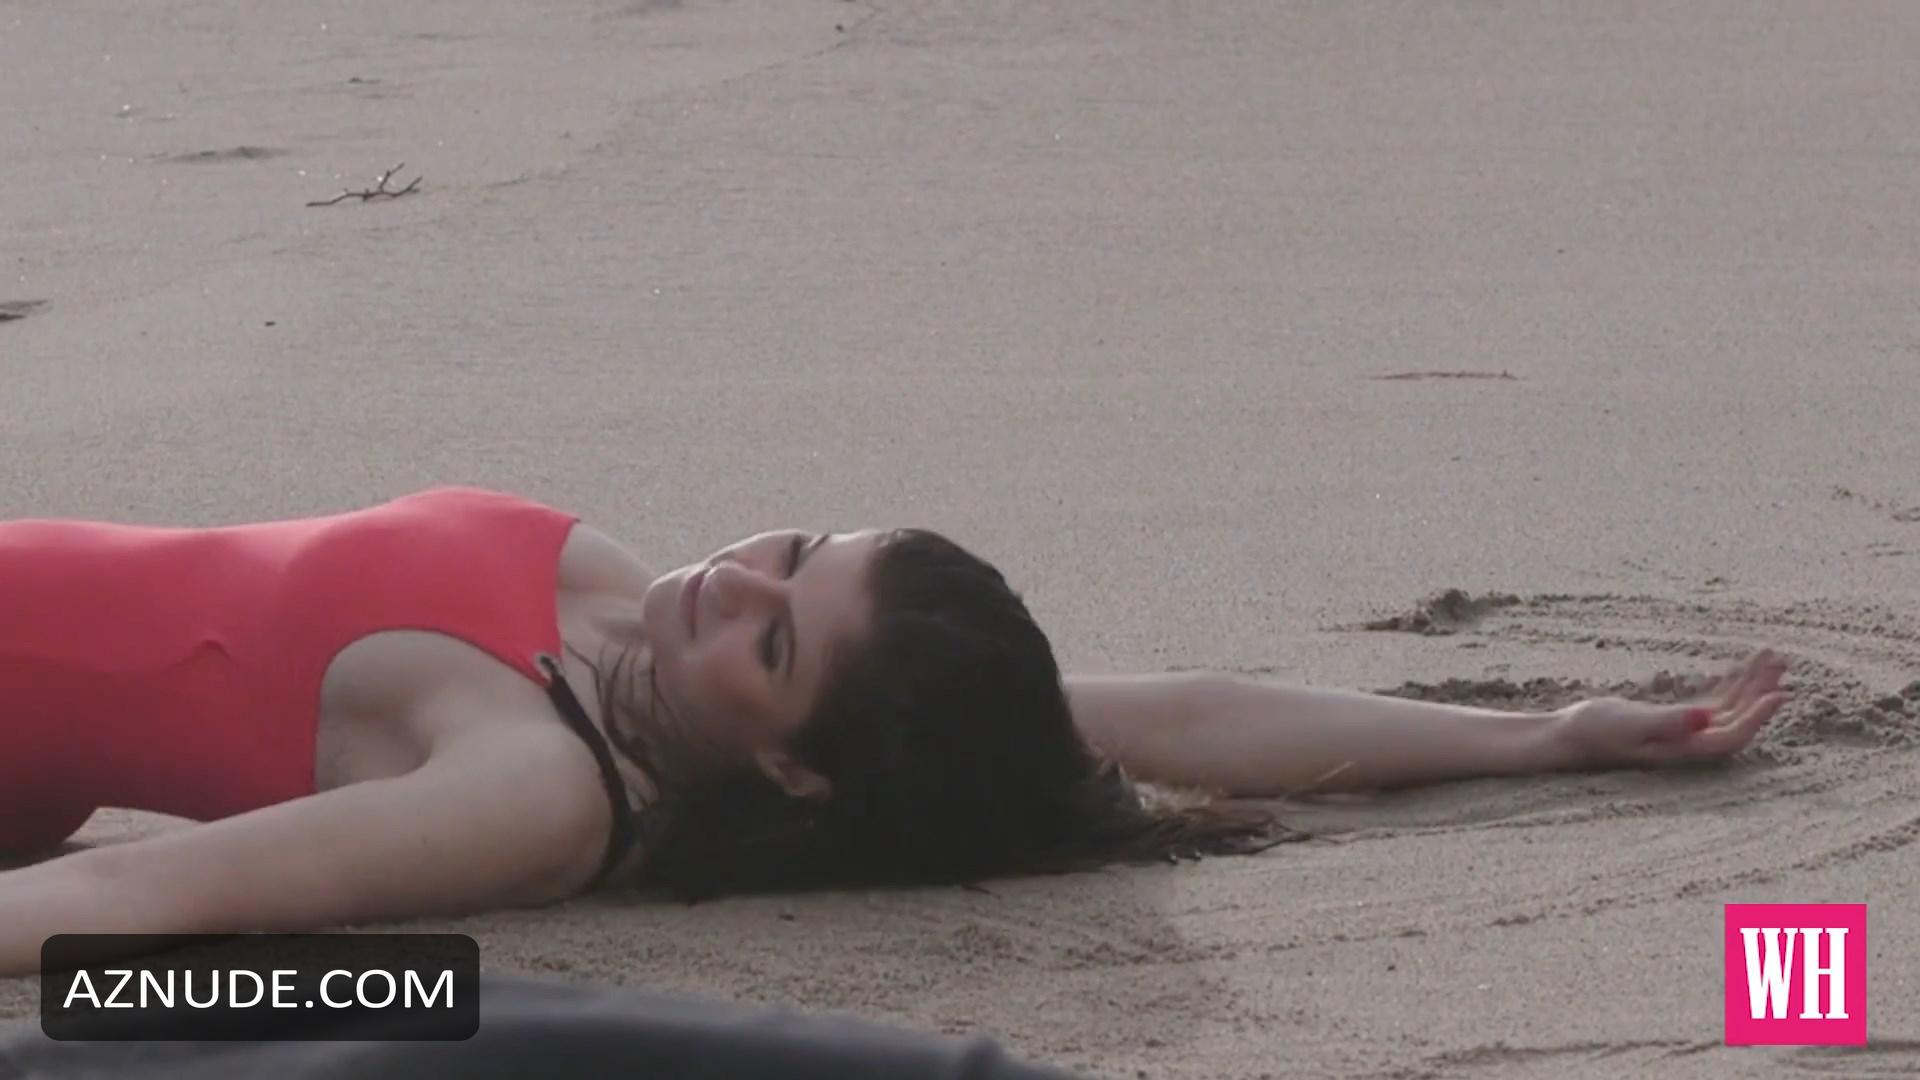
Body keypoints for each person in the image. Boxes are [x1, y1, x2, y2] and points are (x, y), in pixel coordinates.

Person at [0, 486, 1791, 976]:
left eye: (776, 637)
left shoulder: (529, 790)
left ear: (793, 766)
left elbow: (146, 912)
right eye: (791, 552)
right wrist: (1544, 736)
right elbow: (1163, 717)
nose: (731, 579)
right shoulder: (632, 624)